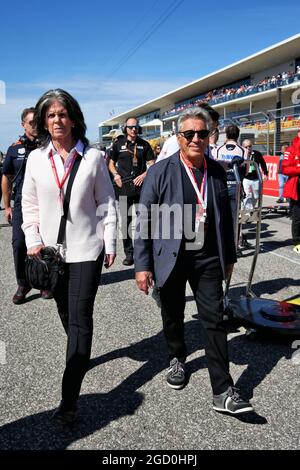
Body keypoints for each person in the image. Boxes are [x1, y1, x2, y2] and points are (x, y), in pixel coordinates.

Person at [134, 107, 253, 415]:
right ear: (179, 137)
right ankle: (177, 358)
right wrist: (142, 265)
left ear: (209, 136)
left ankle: (223, 390)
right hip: (170, 258)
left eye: (202, 133)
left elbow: (225, 219)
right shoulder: (161, 172)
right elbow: (143, 220)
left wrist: (230, 255)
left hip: (208, 257)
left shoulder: (216, 170)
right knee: (172, 316)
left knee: (214, 319)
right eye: (189, 134)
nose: (196, 139)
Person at [21, 89, 117, 423]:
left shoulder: (93, 157)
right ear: (44, 122)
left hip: (87, 250)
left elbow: (106, 201)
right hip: (50, 255)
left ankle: (69, 398)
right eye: (51, 115)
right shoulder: (35, 159)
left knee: (79, 318)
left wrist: (110, 242)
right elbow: (29, 206)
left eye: (63, 114)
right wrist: (32, 240)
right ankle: (78, 352)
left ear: (74, 118)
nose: (57, 120)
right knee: (65, 311)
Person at [1, 108, 53, 304]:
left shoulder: (48, 145)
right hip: (22, 203)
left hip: (45, 201)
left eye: (38, 122)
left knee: (46, 242)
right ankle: (23, 283)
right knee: (19, 244)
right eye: (31, 122)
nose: (35, 126)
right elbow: (6, 178)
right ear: (23, 124)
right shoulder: (14, 149)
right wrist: (7, 207)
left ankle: (45, 282)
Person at [108, 117, 155, 266]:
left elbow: (152, 165)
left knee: (145, 221)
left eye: (135, 127)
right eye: (130, 127)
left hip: (141, 189)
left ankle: (145, 251)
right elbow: (110, 164)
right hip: (123, 189)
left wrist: (143, 175)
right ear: (125, 128)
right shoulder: (118, 145)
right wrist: (115, 175)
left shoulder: (144, 145)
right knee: (125, 222)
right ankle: (129, 253)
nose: (133, 130)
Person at [215, 125, 247, 249]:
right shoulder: (243, 150)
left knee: (220, 216)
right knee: (234, 218)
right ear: (238, 135)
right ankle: (234, 246)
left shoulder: (218, 149)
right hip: (236, 185)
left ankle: (220, 244)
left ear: (226, 135)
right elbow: (247, 171)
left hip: (221, 184)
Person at [282, 130, 300, 253]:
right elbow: (285, 169)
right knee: (298, 216)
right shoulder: (290, 150)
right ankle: (297, 241)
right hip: (297, 186)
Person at [242, 139, 268, 209]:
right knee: (247, 195)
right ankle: (249, 210)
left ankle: (251, 208)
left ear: (252, 146)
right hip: (245, 178)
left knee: (256, 196)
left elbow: (263, 163)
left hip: (255, 178)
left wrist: (265, 173)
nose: (248, 148)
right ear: (243, 147)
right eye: (246, 147)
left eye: (249, 146)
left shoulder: (257, 154)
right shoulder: (241, 154)